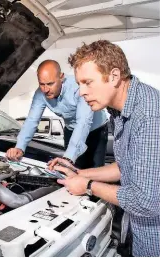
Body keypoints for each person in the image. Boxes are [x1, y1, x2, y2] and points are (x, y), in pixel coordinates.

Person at [48, 40, 160, 257]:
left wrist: (88, 186)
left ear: (114, 76)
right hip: (137, 231)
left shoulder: (148, 116)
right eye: (79, 84)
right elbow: (125, 167)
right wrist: (80, 173)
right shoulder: (119, 111)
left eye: (88, 82)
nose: (80, 92)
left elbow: (147, 202)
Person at [6, 60, 108, 169]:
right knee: (72, 170)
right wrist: (20, 147)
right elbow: (31, 120)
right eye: (42, 84)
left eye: (50, 84)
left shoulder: (78, 87)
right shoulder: (40, 94)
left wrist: (69, 157)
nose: (45, 89)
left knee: (95, 170)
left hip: (96, 130)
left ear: (61, 77)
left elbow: (83, 123)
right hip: (70, 129)